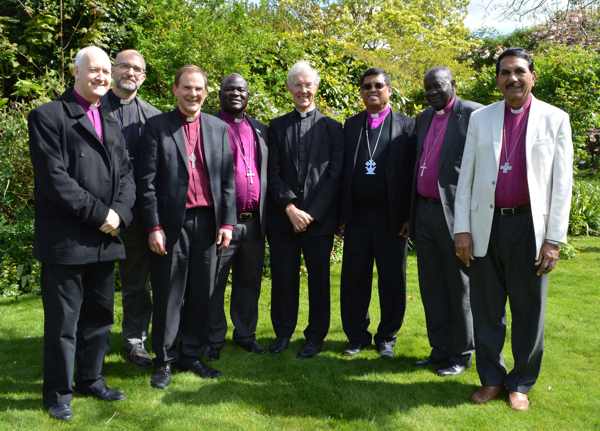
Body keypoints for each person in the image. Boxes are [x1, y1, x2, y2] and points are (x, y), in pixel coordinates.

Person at [454, 48, 573, 410]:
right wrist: (462, 229)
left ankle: (520, 382)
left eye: (519, 71)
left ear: (532, 76)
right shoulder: (481, 118)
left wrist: (553, 239)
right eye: (505, 73)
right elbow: (467, 179)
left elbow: (561, 185)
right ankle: (491, 379)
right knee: (487, 308)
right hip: (486, 225)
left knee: (528, 310)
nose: (512, 78)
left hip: (529, 227)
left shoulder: (555, 119)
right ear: (497, 80)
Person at [28, 46, 135, 421]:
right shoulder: (47, 116)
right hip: (68, 240)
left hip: (106, 237)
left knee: (100, 318)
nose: (103, 77)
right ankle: (58, 393)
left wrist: (120, 214)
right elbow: (55, 181)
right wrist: (101, 214)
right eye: (95, 71)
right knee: (63, 324)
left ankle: (93, 378)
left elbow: (126, 176)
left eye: (107, 71)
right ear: (75, 73)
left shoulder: (110, 117)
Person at [137, 65, 237, 389]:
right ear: (175, 89)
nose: (193, 94)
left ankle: (192, 354)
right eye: (187, 88)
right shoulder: (156, 127)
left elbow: (227, 182)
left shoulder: (218, 127)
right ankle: (164, 360)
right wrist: (152, 226)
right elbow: (146, 183)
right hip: (170, 225)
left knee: (201, 293)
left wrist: (227, 222)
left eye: (199, 89)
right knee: (168, 293)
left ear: (206, 92)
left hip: (208, 222)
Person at [267, 61, 344, 359]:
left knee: (319, 280)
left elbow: (334, 176)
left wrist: (309, 213)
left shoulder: (333, 128)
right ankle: (283, 333)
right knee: (284, 279)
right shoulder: (276, 127)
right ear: (289, 88)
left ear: (316, 88)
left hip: (318, 220)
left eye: (308, 84)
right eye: (297, 85)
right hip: (282, 218)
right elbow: (271, 172)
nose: (303, 90)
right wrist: (290, 208)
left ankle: (315, 336)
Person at [409, 66, 482, 376]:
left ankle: (461, 354)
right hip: (423, 213)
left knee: (458, 287)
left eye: (437, 86)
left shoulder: (474, 115)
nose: (432, 93)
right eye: (427, 88)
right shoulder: (423, 118)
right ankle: (438, 349)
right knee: (431, 286)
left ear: (453, 83)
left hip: (453, 216)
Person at [339, 68, 416, 360]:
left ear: (389, 90)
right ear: (361, 92)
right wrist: (341, 214)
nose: (373, 89)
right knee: (354, 278)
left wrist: (409, 215)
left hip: (392, 219)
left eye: (379, 85)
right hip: (357, 217)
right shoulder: (351, 125)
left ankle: (386, 337)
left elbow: (412, 176)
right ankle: (357, 335)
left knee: (392, 280)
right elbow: (342, 173)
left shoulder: (408, 127)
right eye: (367, 86)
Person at [100, 49, 161, 368]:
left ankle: (135, 341)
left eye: (137, 69)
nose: (131, 72)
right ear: (113, 69)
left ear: (143, 77)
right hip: (95, 212)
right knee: (93, 280)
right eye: (125, 66)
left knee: (137, 282)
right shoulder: (92, 109)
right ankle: (90, 338)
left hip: (136, 217)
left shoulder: (153, 116)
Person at [204, 73, 269, 361]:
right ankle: (213, 337)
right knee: (215, 283)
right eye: (229, 89)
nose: (236, 94)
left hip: (254, 222)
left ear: (248, 94)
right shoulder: (208, 127)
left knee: (249, 282)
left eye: (241, 90)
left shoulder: (261, 130)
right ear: (219, 94)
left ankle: (245, 334)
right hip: (222, 224)